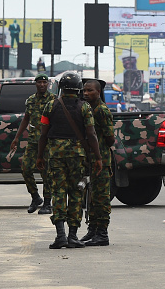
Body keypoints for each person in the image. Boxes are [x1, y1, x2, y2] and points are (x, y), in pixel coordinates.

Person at [37, 72, 102, 249]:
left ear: (61, 89)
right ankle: (73, 236)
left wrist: (39, 156)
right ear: (79, 88)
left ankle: (60, 236)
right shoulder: (85, 107)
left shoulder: (49, 106)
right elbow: (91, 134)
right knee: (76, 193)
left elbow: (43, 134)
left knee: (58, 192)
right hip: (77, 156)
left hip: (56, 156)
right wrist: (97, 158)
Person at [10, 74, 56, 214]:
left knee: (46, 173)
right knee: (26, 169)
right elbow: (26, 119)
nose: (42, 85)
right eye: (39, 82)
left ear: (48, 84)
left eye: (44, 82)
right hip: (33, 140)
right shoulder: (30, 100)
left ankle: (47, 203)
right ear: (35, 84)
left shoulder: (53, 99)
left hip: (47, 141)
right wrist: (17, 137)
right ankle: (35, 197)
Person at [80, 79, 115, 247]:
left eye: (90, 91)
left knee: (101, 198)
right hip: (91, 160)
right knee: (92, 197)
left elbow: (110, 138)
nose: (86, 93)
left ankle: (102, 234)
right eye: (84, 90)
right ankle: (92, 229)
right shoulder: (88, 109)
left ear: (98, 92)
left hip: (101, 160)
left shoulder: (101, 110)